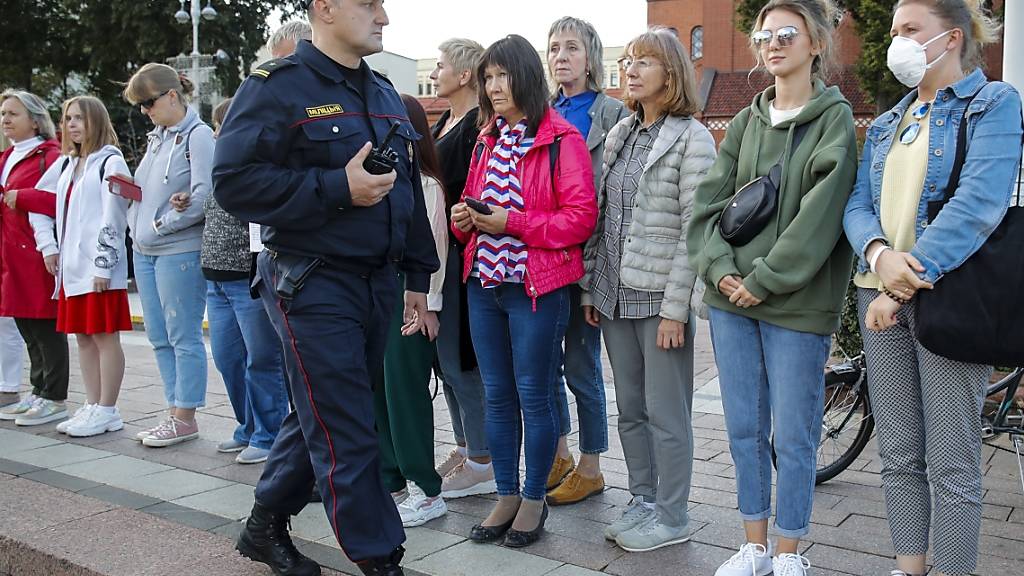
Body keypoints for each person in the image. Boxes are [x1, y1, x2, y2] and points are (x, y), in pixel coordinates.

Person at [212, 0, 439, 574]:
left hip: (379, 282)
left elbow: (405, 188)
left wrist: (418, 274)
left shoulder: (385, 93)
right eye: (369, 3)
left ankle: (263, 525)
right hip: (312, 281)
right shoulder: (275, 87)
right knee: (347, 427)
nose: (383, 16)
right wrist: (336, 186)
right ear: (325, 8)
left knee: (321, 410)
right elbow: (234, 184)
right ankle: (381, 559)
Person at [843, 2, 1021, 575]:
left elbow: (978, 205)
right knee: (898, 454)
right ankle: (909, 567)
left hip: (944, 295)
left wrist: (904, 280)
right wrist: (877, 254)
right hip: (878, 297)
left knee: (952, 462)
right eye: (895, 31)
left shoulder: (994, 104)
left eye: (910, 30)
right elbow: (857, 203)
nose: (897, 42)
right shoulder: (892, 118)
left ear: (953, 35)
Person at [687, 1, 858, 574]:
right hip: (731, 298)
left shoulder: (835, 120)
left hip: (796, 303)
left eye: (789, 33)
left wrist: (762, 279)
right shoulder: (743, 121)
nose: (774, 43)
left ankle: (790, 551)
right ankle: (754, 545)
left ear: (815, 43)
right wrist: (719, 269)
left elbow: (822, 213)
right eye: (765, 35)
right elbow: (708, 206)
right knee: (743, 426)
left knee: (795, 432)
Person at [452, 34, 597, 549]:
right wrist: (464, 220)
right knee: (497, 395)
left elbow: (579, 220)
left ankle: (533, 498)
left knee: (534, 396)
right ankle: (507, 494)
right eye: (486, 77)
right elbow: (475, 214)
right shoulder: (485, 137)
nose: (491, 87)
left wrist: (511, 222)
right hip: (483, 284)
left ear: (525, 77)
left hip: (535, 286)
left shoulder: (561, 139)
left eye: (501, 76)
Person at [580, 27, 714, 552]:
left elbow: (693, 230)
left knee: (667, 411)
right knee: (630, 408)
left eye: (645, 62)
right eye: (629, 61)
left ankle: (673, 513)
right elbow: (602, 218)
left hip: (660, 299)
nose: (631, 70)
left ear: (672, 73)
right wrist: (592, 290)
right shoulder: (621, 135)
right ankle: (643, 500)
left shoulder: (692, 137)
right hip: (614, 294)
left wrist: (676, 310)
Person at [544, 15, 627, 506]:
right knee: (544, 365)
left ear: (591, 58)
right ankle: (559, 454)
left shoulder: (611, 113)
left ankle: (592, 464)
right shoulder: (542, 112)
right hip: (543, 256)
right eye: (554, 48)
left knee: (581, 365)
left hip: (587, 259)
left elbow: (614, 198)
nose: (561, 56)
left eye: (571, 47)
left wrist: (600, 275)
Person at [27, 96, 132, 437]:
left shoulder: (111, 161)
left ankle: (107, 408)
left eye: (79, 118)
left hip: (99, 269)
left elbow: (115, 216)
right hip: (71, 271)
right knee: (83, 338)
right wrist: (49, 246)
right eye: (67, 118)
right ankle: (91, 405)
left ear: (95, 122)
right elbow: (40, 205)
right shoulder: (67, 164)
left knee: (104, 336)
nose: (71, 124)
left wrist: (104, 265)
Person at [121, 63, 214, 448]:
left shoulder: (199, 136)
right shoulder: (158, 137)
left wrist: (161, 224)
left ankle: (185, 415)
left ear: (172, 95)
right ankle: (173, 411)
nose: (144, 110)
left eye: (148, 102)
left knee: (182, 334)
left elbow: (203, 196)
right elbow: (152, 191)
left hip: (178, 248)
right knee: (159, 335)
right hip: (146, 249)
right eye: (139, 105)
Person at [375, 94, 450, 527]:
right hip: (380, 293)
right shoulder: (382, 179)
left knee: (405, 394)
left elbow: (434, 248)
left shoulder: (425, 185)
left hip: (413, 297)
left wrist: (430, 307)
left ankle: (425, 487)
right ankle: (393, 480)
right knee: (379, 392)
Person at [428, 37, 497, 499]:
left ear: (465, 74)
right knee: (443, 360)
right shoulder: (443, 121)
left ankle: (483, 458)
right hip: (434, 253)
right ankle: (464, 442)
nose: (435, 72)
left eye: (441, 64)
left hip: (458, 256)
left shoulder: (476, 126)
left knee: (459, 358)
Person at [201, 97, 289, 465]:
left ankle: (269, 434)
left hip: (246, 277)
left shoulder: (257, 166)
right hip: (216, 278)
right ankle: (247, 425)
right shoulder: (223, 167)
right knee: (227, 358)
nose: (218, 132)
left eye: (223, 125)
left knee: (262, 359)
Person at [0, 90, 68, 426]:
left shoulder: (51, 155)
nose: (5, 120)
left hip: (38, 251)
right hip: (10, 251)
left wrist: (22, 196)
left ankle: (54, 395)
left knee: (44, 322)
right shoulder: (8, 156)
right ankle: (39, 390)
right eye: (3, 114)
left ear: (34, 119)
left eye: (13, 113)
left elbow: (61, 198)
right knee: (25, 322)